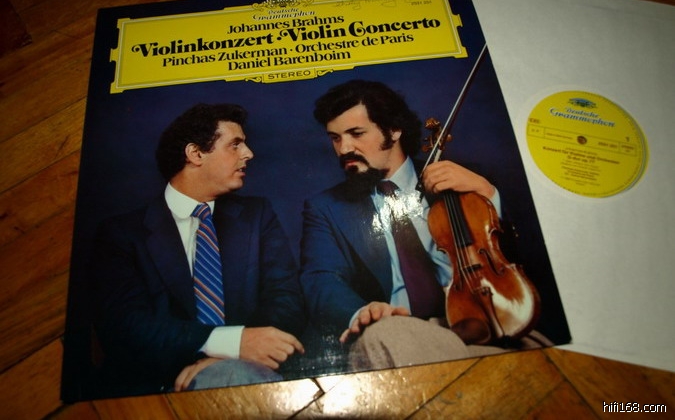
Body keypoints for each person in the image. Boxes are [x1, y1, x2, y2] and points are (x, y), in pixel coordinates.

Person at [300, 79, 548, 371]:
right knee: (384, 336)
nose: (344, 149)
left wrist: (489, 195)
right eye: (335, 138)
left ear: (394, 129)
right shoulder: (325, 207)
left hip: (490, 318)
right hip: (403, 331)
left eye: (356, 133)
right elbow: (321, 279)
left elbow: (533, 256)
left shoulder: (466, 180)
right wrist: (362, 313)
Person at [89, 103, 305, 396]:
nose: (249, 154)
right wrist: (230, 343)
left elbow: (286, 300)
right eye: (235, 144)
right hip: (154, 387)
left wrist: (230, 358)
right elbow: (125, 326)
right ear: (196, 154)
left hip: (251, 373)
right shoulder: (121, 234)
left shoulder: (257, 216)